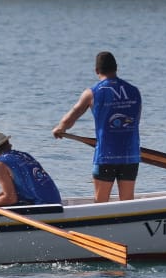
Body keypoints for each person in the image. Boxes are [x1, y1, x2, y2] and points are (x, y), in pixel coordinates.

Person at [52, 50, 142, 202]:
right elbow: (136, 120)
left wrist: (60, 129)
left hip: (106, 155)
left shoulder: (92, 93)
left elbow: (71, 118)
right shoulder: (134, 91)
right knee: (127, 201)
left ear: (97, 70)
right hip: (131, 154)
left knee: (101, 202)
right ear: (116, 68)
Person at [0, 131, 62, 208]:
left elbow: (10, 199)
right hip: (55, 201)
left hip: (41, 205)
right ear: (9, 144)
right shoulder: (24, 155)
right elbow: (12, 191)